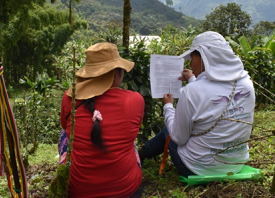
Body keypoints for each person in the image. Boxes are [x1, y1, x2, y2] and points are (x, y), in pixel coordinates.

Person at [139, 31, 255, 177]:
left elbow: (178, 138)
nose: (190, 63)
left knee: (167, 132)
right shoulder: (246, 82)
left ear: (204, 58)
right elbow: (211, 93)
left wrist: (167, 106)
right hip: (235, 164)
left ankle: (140, 155)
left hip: (198, 167)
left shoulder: (191, 92)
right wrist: (193, 80)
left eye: (192, 58)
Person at [60, 42, 144, 198]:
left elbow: (65, 127)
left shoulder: (69, 98)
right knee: (130, 140)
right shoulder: (135, 100)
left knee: (65, 132)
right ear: (116, 73)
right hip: (126, 190)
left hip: (77, 191)